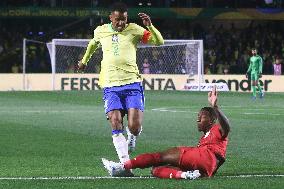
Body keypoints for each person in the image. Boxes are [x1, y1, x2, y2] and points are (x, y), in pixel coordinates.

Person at [77, 2, 164, 168]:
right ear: (111, 18)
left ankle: (133, 136)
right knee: (116, 122)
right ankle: (125, 163)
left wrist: (150, 26)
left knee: (134, 127)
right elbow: (92, 45)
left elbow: (159, 42)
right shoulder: (100, 30)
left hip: (132, 84)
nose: (121, 23)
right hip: (110, 86)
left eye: (123, 19)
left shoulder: (135, 29)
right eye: (117, 20)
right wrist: (83, 62)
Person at [102, 86, 230, 179]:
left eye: (201, 117)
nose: (197, 119)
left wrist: (215, 107)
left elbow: (227, 128)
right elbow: (214, 164)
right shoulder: (205, 138)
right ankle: (185, 175)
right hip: (207, 166)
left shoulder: (217, 129)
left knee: (158, 157)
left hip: (205, 156)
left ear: (212, 119)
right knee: (156, 170)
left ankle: (121, 167)